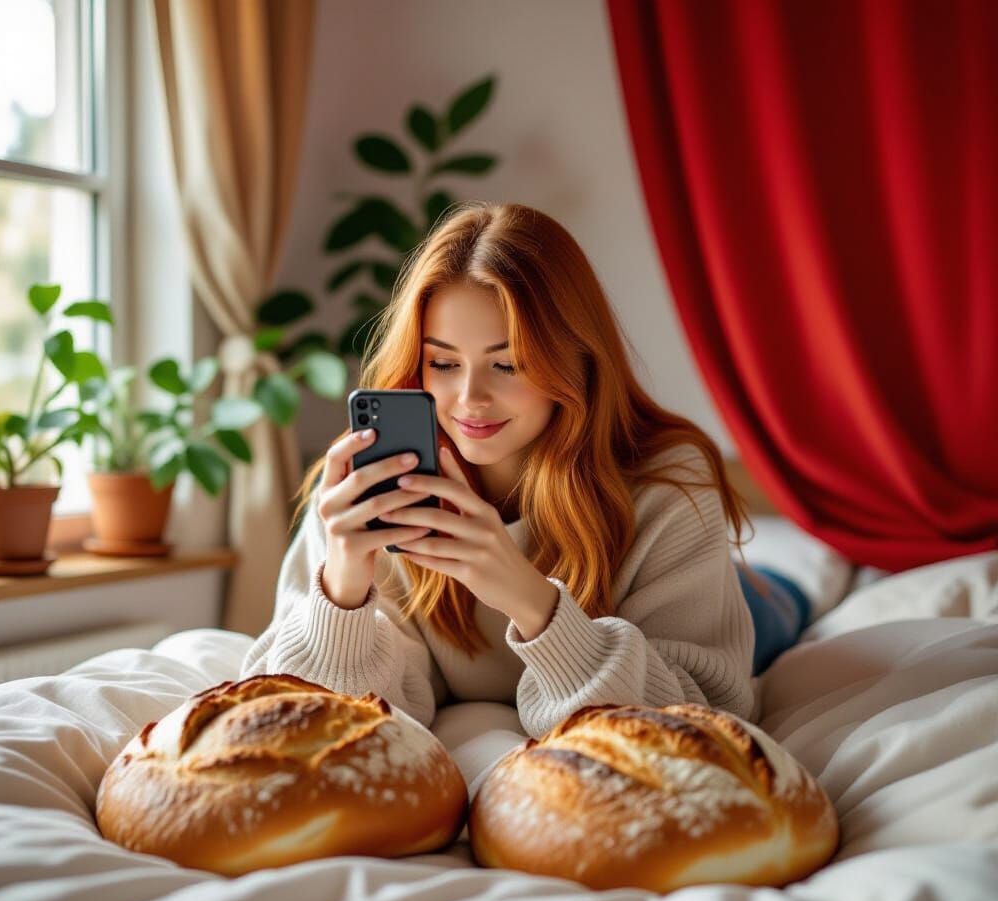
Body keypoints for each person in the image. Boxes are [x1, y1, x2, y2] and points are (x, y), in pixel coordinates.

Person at [241, 201, 771, 740]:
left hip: (749, 606)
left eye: (508, 363)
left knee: (778, 604)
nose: (470, 399)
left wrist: (529, 598)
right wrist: (343, 592)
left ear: (575, 360)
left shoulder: (667, 482)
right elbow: (297, 715)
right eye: (443, 363)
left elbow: (708, 709)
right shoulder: (366, 487)